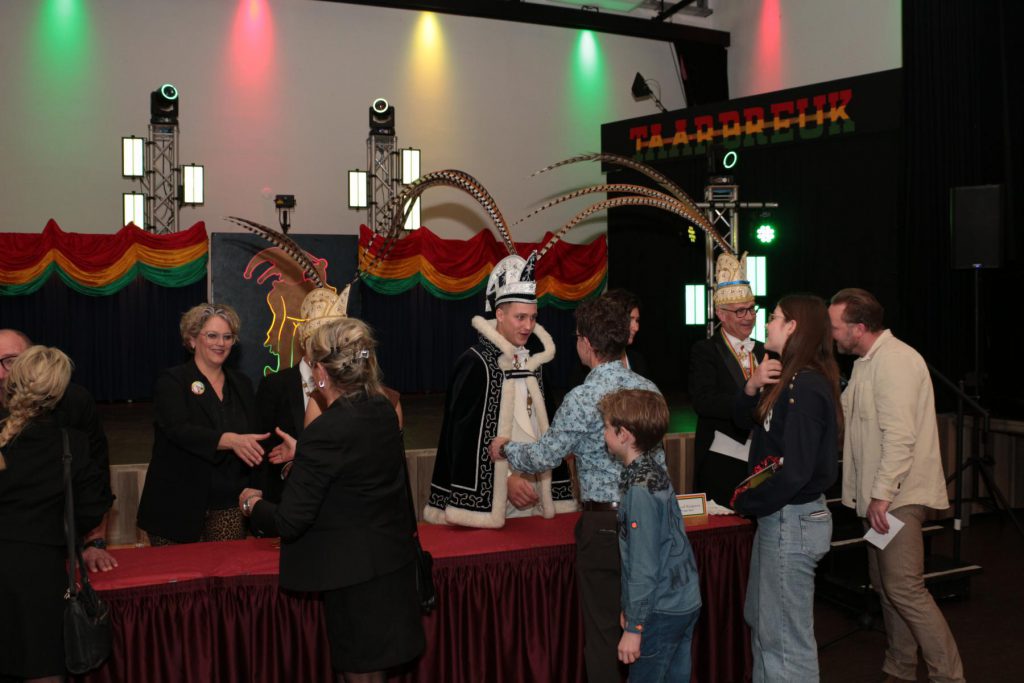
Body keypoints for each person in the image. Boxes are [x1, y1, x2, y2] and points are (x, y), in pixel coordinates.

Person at [490, 294, 666, 683]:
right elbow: (659, 466)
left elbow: (543, 457)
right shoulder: (649, 389)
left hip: (604, 528)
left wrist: (506, 448)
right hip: (651, 518)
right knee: (644, 626)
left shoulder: (583, 397)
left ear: (586, 342)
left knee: (604, 634)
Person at [239, 317, 425, 682]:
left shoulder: (326, 430)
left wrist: (251, 505)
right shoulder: (382, 410)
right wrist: (305, 454)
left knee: (359, 672)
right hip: (391, 564)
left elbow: (290, 520)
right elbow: (355, 470)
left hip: (353, 576)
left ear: (322, 374)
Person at [829, 288, 964, 683]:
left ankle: (949, 677)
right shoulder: (867, 363)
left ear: (859, 328)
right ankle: (901, 668)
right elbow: (847, 422)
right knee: (887, 588)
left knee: (905, 589)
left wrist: (882, 494)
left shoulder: (896, 362)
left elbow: (900, 437)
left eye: (835, 327)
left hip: (895, 498)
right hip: (881, 498)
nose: (832, 335)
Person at [731, 294, 841, 682]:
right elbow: (752, 429)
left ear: (793, 327)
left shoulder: (805, 385)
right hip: (780, 517)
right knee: (764, 624)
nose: (767, 323)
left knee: (785, 640)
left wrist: (750, 501)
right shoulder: (788, 378)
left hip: (791, 518)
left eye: (775, 317)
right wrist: (753, 386)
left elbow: (794, 471)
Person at [424, 252, 576, 528]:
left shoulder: (535, 364)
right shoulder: (475, 363)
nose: (528, 326)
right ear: (500, 315)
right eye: (520, 317)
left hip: (535, 497)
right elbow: (463, 440)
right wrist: (506, 480)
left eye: (533, 318)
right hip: (493, 502)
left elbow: (543, 428)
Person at [0, 346, 113, 683]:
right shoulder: (71, 444)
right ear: (59, 392)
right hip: (39, 573)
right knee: (41, 666)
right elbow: (92, 507)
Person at [137, 303, 268, 545]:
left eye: (227, 337)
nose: (221, 343)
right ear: (192, 339)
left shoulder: (242, 384)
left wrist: (257, 485)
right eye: (212, 335)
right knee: (178, 570)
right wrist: (228, 440)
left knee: (226, 568)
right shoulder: (172, 381)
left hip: (229, 503)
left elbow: (255, 437)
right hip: (176, 505)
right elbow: (178, 430)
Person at [598, 389, 701, 682]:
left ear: (624, 435)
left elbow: (643, 563)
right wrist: (631, 610)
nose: (603, 432)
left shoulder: (639, 491)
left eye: (606, 426)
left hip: (662, 608)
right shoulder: (654, 469)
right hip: (684, 599)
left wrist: (635, 627)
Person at [0, 328, 117, 573]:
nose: (1, 373)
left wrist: (93, 541)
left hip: (53, 550)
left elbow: (96, 476)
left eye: (10, 361)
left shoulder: (74, 402)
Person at [690, 253, 765, 507]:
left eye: (751, 309)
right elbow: (703, 401)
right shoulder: (706, 350)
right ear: (721, 314)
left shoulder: (764, 350)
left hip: (761, 458)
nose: (749, 317)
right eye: (740, 311)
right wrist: (749, 404)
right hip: (721, 457)